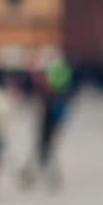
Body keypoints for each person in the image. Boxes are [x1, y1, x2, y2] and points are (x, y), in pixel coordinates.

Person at [19, 58, 72, 191]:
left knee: (46, 146)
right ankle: (41, 171)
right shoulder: (56, 96)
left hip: (50, 122)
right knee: (44, 146)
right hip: (48, 122)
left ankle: (42, 172)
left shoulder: (55, 97)